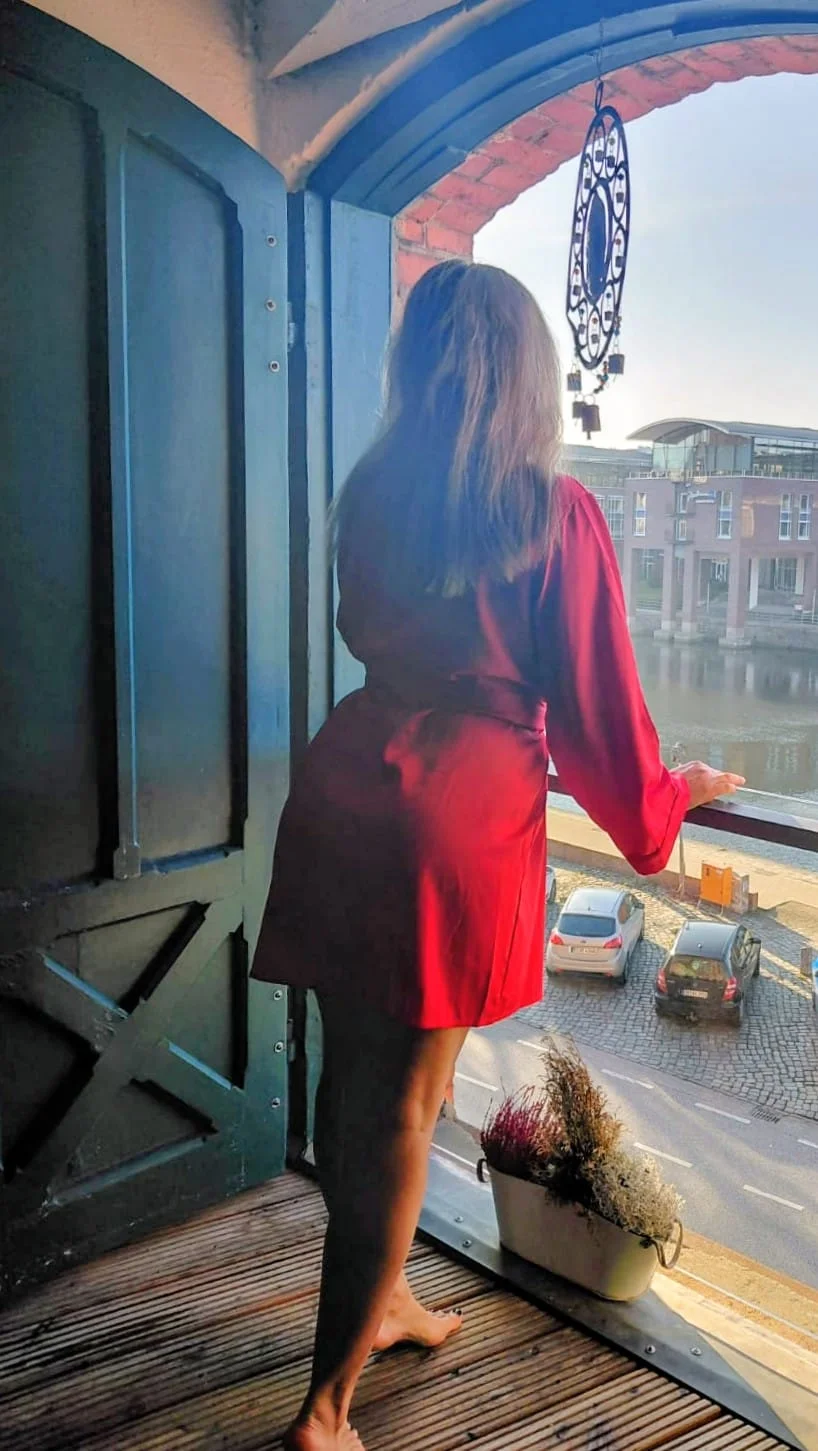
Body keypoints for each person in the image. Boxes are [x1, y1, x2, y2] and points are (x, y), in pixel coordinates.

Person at [251, 261, 743, 1451]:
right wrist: (672, 799)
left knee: (351, 1087)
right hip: (453, 821)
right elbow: (601, 724)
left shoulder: (372, 498)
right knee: (406, 1107)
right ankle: (323, 1411)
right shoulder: (547, 514)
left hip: (347, 782)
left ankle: (383, 1301)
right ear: (524, 375)